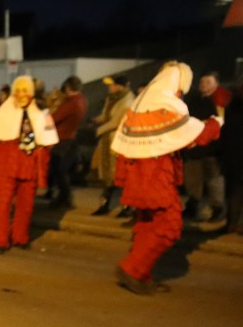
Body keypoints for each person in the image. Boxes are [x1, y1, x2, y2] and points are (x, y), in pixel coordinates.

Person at [112, 62, 222, 294]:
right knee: (170, 226)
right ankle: (132, 269)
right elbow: (196, 135)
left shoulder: (140, 105)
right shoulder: (166, 105)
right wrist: (216, 123)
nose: (181, 93)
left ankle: (141, 274)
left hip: (140, 176)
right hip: (157, 176)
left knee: (147, 225)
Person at [0, 75, 59, 253]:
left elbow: (48, 141)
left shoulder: (41, 112)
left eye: (25, 90)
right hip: (7, 163)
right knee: (2, 203)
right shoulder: (4, 110)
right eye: (18, 90)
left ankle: (20, 236)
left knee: (26, 204)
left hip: (29, 164)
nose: (21, 94)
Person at [182, 71, 232, 223]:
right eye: (202, 82)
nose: (204, 85)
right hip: (195, 147)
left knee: (214, 179)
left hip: (213, 149)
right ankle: (193, 205)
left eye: (208, 82)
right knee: (193, 178)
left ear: (217, 83)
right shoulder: (194, 100)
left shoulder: (222, 100)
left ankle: (217, 208)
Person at [91, 76, 133, 215]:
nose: (109, 87)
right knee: (107, 173)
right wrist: (96, 120)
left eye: (112, 85)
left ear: (120, 86)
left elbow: (116, 122)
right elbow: (106, 116)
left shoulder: (127, 100)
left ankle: (127, 205)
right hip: (107, 140)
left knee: (119, 173)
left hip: (117, 140)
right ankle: (105, 203)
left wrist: (99, 130)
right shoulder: (112, 99)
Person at [47, 76, 87, 209]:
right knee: (60, 170)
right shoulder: (81, 100)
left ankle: (65, 198)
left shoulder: (71, 103)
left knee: (59, 169)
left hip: (62, 138)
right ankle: (63, 197)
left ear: (68, 87)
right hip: (70, 137)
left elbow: (55, 117)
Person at [220, 81, 243, 234]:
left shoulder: (231, 106)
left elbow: (225, 132)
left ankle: (232, 223)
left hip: (233, 156)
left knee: (234, 191)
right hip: (236, 154)